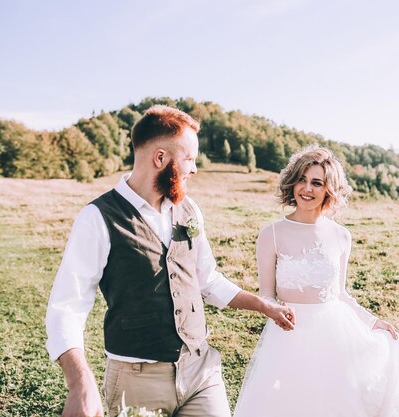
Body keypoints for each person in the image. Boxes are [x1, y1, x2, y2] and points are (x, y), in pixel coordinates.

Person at [45, 105, 295, 417]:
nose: (194, 169)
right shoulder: (97, 218)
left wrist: (263, 305)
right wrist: (79, 382)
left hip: (201, 371)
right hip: (136, 382)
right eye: (189, 159)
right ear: (160, 159)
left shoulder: (189, 210)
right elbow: (66, 307)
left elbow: (208, 280)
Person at [233, 145, 399, 417]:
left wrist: (373, 321)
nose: (307, 188)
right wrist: (274, 310)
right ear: (292, 182)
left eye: (317, 182)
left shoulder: (341, 236)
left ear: (329, 189)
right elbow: (266, 294)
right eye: (302, 179)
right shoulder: (272, 234)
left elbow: (340, 294)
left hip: (334, 334)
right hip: (289, 334)